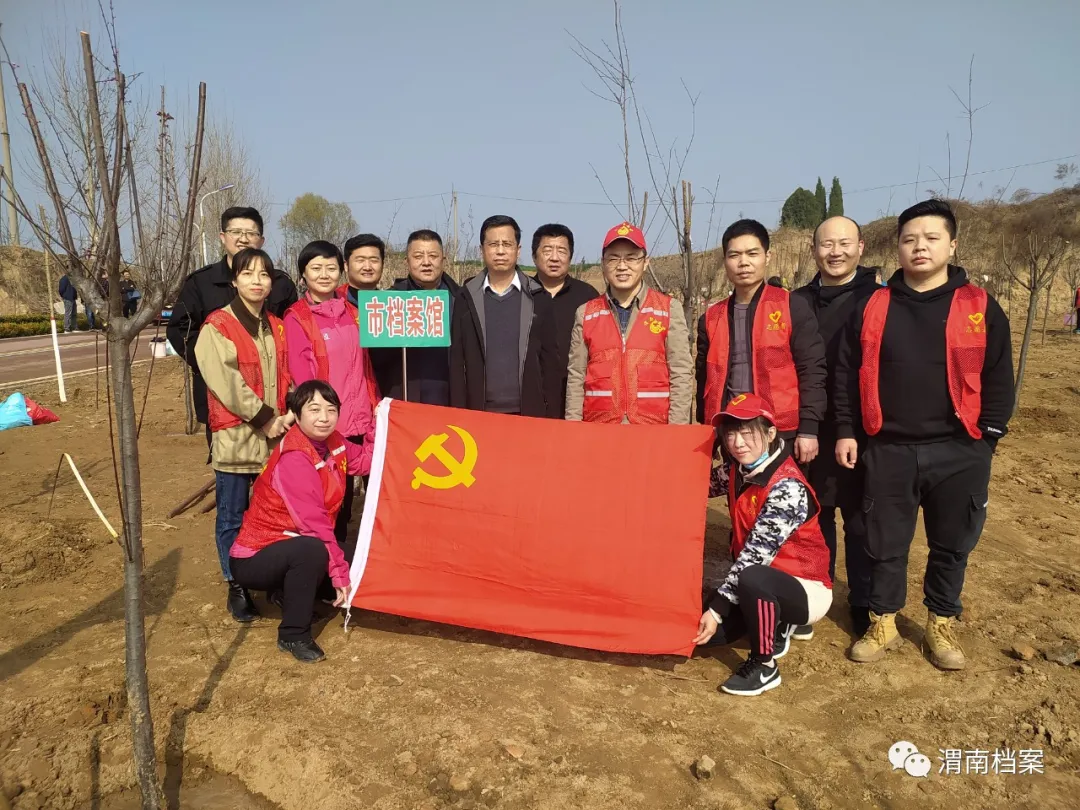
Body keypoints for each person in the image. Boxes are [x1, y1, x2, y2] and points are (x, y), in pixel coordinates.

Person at [834, 199, 1014, 670]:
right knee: (884, 543)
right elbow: (847, 373)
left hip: (960, 448)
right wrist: (848, 430)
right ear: (897, 247)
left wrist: (987, 438)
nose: (919, 247)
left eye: (932, 238)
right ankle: (883, 620)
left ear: (952, 245)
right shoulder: (872, 305)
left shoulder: (979, 306)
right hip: (888, 447)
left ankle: (941, 620)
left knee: (952, 543)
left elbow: (999, 374)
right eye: (909, 239)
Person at [693, 393, 833, 696]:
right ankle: (775, 620)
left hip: (805, 588)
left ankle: (764, 666)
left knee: (752, 577)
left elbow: (754, 558)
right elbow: (695, 484)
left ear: (770, 434)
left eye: (747, 433)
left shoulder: (787, 487)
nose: (738, 443)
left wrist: (716, 611)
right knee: (702, 636)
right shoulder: (737, 469)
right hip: (758, 583)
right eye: (731, 434)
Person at [230, 380, 372, 663]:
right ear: (296, 414)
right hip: (256, 555)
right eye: (314, 409)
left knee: (358, 559)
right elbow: (314, 525)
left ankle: (285, 592)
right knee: (312, 551)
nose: (324, 417)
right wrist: (338, 574)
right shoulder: (295, 458)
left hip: (293, 543)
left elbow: (364, 462)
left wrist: (377, 427)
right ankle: (293, 634)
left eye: (331, 409)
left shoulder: (334, 442)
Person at [194, 248, 292, 624]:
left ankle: (273, 580)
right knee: (232, 517)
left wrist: (294, 410)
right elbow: (226, 383)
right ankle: (236, 584)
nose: (257, 281)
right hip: (236, 438)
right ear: (234, 281)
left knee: (274, 513)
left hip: (275, 440)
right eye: (248, 274)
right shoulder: (217, 326)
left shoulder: (276, 326)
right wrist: (265, 418)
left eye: (264, 274)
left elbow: (286, 376)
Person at [792, 216, 878, 637]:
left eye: (844, 243)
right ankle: (818, 590)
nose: (835, 252)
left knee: (860, 519)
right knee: (815, 513)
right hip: (809, 425)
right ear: (814, 250)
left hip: (863, 428)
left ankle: (862, 600)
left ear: (860, 247)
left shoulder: (878, 299)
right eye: (827, 244)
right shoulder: (796, 301)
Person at [695, 219, 827, 466]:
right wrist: (706, 429)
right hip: (732, 431)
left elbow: (812, 370)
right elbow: (704, 379)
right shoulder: (711, 318)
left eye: (752, 253)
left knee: (782, 491)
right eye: (734, 255)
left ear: (767, 257)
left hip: (781, 430)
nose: (743, 262)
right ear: (725, 261)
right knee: (737, 491)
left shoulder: (791, 306)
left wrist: (809, 429)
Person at [167, 207, 298, 447]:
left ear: (261, 240)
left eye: (251, 233)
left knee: (276, 468)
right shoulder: (201, 282)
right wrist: (215, 363)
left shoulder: (280, 284)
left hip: (274, 399)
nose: (243, 238)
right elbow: (180, 330)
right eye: (236, 232)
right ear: (222, 237)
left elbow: (290, 335)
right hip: (221, 397)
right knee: (232, 464)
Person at [283, 240, 378, 553]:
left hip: (363, 417)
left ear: (341, 271)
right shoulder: (297, 317)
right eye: (316, 268)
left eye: (331, 268)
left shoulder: (356, 313)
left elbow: (369, 365)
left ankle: (360, 562)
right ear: (303, 275)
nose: (324, 274)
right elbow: (304, 379)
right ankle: (329, 565)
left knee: (370, 497)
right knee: (334, 501)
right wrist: (322, 419)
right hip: (329, 424)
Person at [565, 222, 693, 424]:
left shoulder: (669, 309)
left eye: (631, 258)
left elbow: (681, 374)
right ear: (603, 263)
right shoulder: (586, 313)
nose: (622, 266)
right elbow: (576, 377)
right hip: (600, 428)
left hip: (653, 428)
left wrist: (676, 429)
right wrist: (573, 427)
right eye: (613, 258)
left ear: (645, 262)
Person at [450, 215, 562, 417]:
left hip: (528, 414)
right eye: (493, 244)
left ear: (518, 250)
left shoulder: (538, 297)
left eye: (507, 244)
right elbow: (456, 362)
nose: (500, 251)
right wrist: (458, 413)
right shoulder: (465, 297)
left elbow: (550, 364)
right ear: (482, 250)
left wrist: (552, 415)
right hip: (479, 414)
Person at [368, 229, 460, 405]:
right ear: (407, 261)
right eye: (418, 256)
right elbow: (375, 360)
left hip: (450, 400)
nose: (426, 262)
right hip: (403, 399)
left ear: (443, 260)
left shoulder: (461, 300)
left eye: (433, 256)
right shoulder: (389, 301)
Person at [530, 223, 599, 412]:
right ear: (534, 256)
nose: (554, 257)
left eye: (561, 251)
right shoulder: (522, 294)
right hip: (530, 398)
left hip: (575, 399)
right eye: (547, 250)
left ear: (570, 256)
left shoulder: (588, 296)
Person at [341, 233, 386, 302]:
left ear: (382, 265)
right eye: (360, 260)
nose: (367, 267)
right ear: (346, 266)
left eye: (374, 260)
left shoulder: (391, 303)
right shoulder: (332, 301)